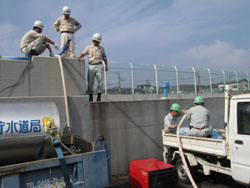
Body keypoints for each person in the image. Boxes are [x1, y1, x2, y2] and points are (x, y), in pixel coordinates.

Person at [78, 33, 108, 102]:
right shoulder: (88, 47)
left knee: (100, 81)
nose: (98, 42)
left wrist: (106, 66)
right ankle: (90, 96)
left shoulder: (101, 49)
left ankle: (99, 96)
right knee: (90, 82)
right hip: (91, 65)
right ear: (94, 40)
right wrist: (79, 58)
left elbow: (105, 57)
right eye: (97, 41)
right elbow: (83, 53)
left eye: (99, 41)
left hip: (99, 65)